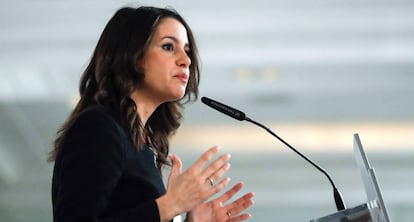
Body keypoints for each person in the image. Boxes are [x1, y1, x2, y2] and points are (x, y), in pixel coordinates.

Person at [48, 6, 254, 222]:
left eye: (187, 50)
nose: (186, 60)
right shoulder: (98, 128)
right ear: (133, 56)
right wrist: (170, 204)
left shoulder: (143, 143)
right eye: (168, 47)